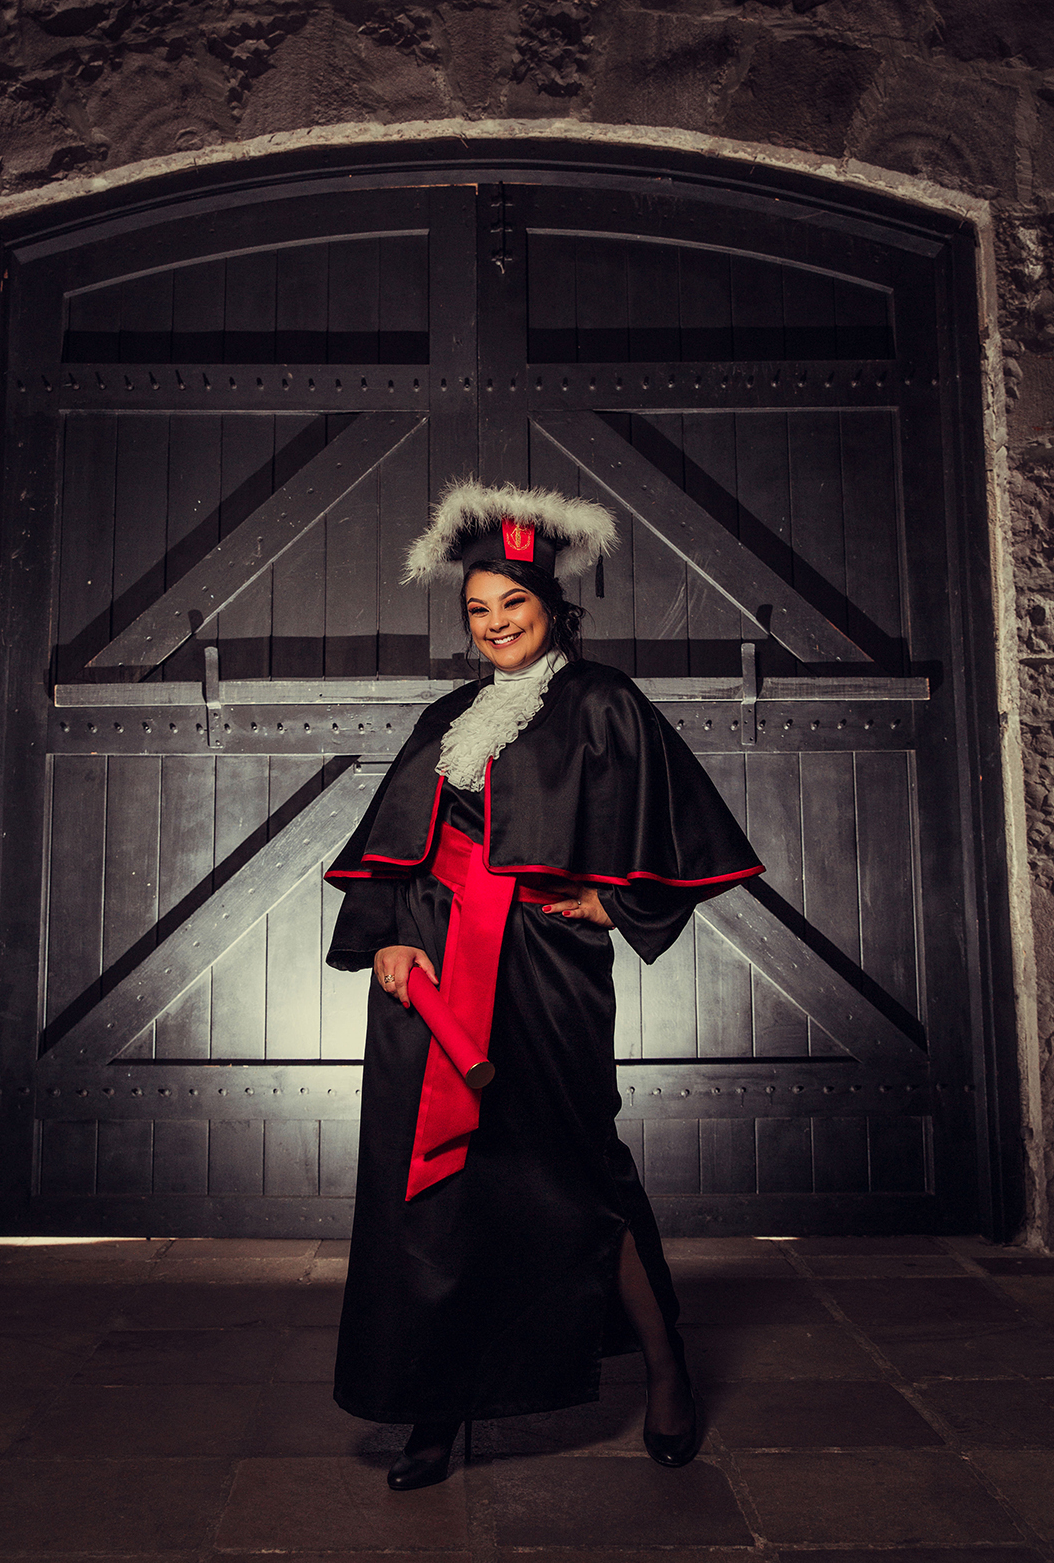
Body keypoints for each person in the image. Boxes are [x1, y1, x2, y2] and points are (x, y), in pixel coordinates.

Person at [324, 481, 763, 1490]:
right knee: (434, 1188)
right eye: (477, 609)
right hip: (433, 976)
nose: (495, 624)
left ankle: (665, 1366)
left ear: (552, 607)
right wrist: (388, 941)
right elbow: (393, 851)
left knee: (576, 1176)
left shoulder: (605, 701)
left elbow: (684, 834)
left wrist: (617, 904)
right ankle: (435, 1407)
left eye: (512, 604)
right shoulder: (448, 715)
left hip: (541, 969)